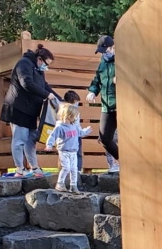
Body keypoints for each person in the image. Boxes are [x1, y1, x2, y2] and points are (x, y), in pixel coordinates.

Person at [0, 44, 57, 178]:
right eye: (46, 63)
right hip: (18, 108)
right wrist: (46, 95)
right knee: (20, 139)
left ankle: (35, 167)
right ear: (39, 59)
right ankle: (19, 169)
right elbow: (26, 83)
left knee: (31, 140)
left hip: (30, 110)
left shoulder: (38, 69)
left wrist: (59, 100)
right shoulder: (23, 64)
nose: (45, 67)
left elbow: (45, 86)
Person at [87, 35, 119, 173]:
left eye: (105, 51)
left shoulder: (121, 60)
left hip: (122, 105)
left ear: (113, 48)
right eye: (101, 52)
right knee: (104, 138)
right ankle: (122, 161)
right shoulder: (103, 62)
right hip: (107, 106)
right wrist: (92, 91)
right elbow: (97, 81)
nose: (103, 54)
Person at [44, 103, 92, 192]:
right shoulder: (60, 127)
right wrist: (49, 145)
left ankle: (73, 186)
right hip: (64, 151)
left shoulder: (74, 126)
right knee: (66, 168)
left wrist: (87, 131)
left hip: (73, 151)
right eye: (75, 116)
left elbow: (80, 133)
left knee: (74, 169)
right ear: (68, 116)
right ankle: (60, 184)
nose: (76, 118)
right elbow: (52, 136)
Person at [62, 90, 85, 174]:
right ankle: (69, 169)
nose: (77, 103)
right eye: (76, 101)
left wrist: (82, 132)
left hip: (76, 134)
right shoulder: (64, 111)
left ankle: (78, 169)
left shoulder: (76, 111)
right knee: (67, 153)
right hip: (69, 135)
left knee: (78, 152)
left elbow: (77, 124)